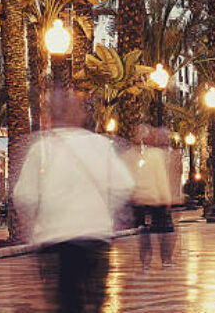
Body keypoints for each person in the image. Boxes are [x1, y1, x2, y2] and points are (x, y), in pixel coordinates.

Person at [14, 89, 134, 312]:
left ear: (51, 116)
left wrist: (35, 223)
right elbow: (124, 185)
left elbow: (25, 196)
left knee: (66, 303)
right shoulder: (100, 145)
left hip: (55, 240)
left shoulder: (41, 149)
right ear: (80, 116)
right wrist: (104, 211)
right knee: (94, 302)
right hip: (95, 237)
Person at [125, 125, 178, 269]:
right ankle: (166, 260)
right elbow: (160, 178)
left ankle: (145, 262)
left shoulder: (138, 154)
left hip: (139, 198)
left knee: (144, 232)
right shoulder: (156, 154)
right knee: (167, 230)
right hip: (154, 198)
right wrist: (166, 198)